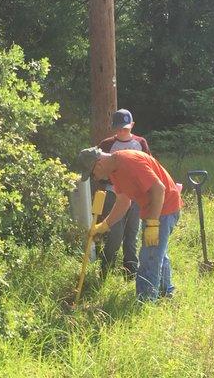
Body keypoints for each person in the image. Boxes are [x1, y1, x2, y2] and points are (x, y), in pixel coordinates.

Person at [77, 147, 182, 301]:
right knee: (157, 253)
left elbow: (159, 189)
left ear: (98, 164)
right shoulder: (115, 171)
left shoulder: (129, 162)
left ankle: (145, 301)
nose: (95, 178)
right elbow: (123, 202)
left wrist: (153, 224)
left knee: (150, 257)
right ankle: (166, 293)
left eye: (92, 174)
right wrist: (104, 226)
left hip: (164, 210)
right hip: (154, 210)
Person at [97, 109, 151, 279]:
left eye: (126, 128)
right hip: (114, 193)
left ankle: (131, 270)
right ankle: (105, 269)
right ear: (114, 127)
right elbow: (98, 171)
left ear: (132, 126)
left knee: (132, 234)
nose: (122, 132)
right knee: (115, 234)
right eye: (119, 128)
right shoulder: (106, 145)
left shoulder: (140, 143)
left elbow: (149, 167)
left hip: (136, 196)